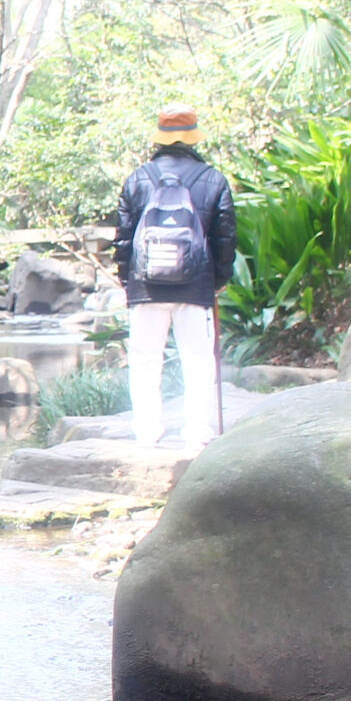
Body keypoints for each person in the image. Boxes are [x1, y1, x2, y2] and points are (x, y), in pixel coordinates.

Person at [112, 104, 236, 449]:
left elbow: (123, 238)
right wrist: (218, 280)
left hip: (145, 285)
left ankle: (147, 431)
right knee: (197, 359)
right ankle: (197, 433)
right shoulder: (213, 179)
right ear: (193, 137)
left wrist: (127, 281)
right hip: (196, 286)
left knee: (145, 359)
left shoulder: (138, 179)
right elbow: (225, 238)